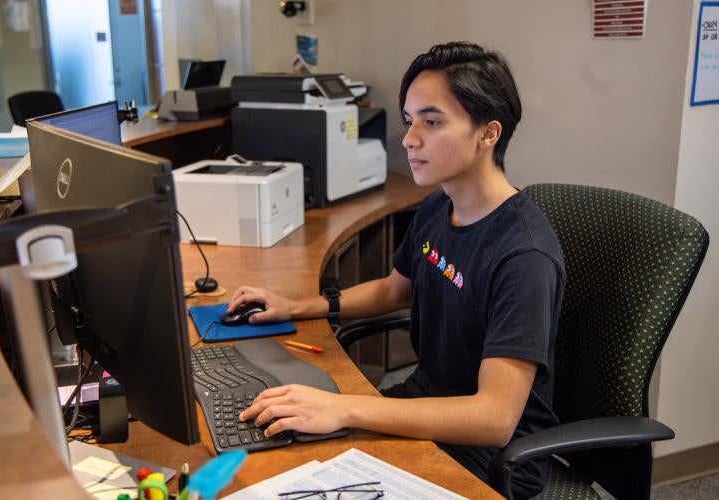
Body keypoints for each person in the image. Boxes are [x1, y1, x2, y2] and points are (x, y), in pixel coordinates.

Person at [229, 41, 565, 498]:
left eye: (431, 122)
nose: (409, 139)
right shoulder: (437, 207)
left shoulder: (522, 255)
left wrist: (348, 408)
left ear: (488, 134)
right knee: (283, 457)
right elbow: (393, 290)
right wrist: (300, 305)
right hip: (421, 406)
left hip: (491, 459)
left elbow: (494, 419)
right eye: (410, 122)